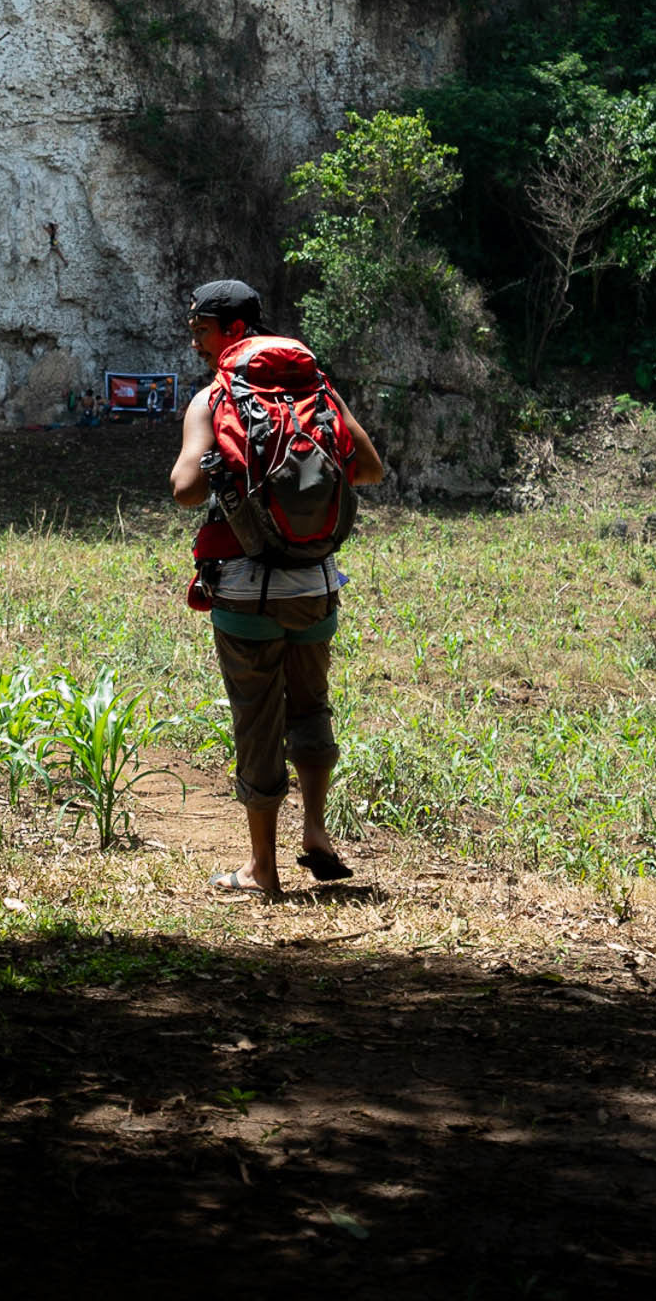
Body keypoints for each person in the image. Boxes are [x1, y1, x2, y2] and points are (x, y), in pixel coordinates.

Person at [169, 277, 383, 898]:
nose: (197, 344)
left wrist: (226, 473)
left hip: (244, 591)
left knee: (257, 720)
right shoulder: (317, 391)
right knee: (311, 706)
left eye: (201, 331)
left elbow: (184, 490)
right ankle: (315, 830)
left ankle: (263, 868)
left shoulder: (215, 398)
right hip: (316, 585)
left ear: (232, 329)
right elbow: (369, 469)